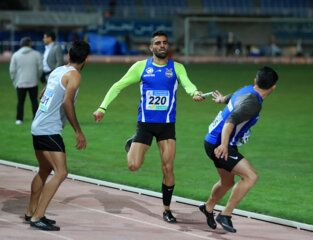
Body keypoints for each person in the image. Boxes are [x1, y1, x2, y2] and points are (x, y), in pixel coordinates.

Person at [93, 30, 204, 223]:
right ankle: (131, 144)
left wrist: (194, 92)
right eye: (158, 43)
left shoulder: (177, 67)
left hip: (167, 126)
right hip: (145, 124)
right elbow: (118, 86)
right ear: (151, 47)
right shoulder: (140, 67)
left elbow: (188, 85)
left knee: (168, 168)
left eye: (164, 43)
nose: (162, 45)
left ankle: (167, 209)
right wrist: (102, 108)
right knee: (133, 166)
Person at [199, 66, 278, 233]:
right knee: (251, 176)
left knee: (227, 182)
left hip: (213, 140)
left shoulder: (247, 89)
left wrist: (222, 99)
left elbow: (234, 97)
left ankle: (207, 208)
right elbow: (230, 121)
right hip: (219, 144)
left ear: (255, 81)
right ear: (273, 87)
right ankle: (225, 215)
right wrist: (224, 145)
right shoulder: (254, 104)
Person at [25, 40, 90, 231]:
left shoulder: (57, 71)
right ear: (86, 59)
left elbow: (42, 95)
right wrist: (78, 131)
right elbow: (67, 103)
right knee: (61, 172)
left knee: (44, 170)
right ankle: (38, 217)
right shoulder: (74, 76)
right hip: (49, 129)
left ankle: (31, 212)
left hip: (37, 125)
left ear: (69, 56)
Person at [9, 37, 43, 125]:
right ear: (30, 44)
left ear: (21, 45)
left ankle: (19, 119)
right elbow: (40, 68)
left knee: (20, 101)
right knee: (34, 101)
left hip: (20, 82)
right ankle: (36, 118)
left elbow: (12, 70)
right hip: (33, 82)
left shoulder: (15, 55)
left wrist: (15, 81)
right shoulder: (37, 54)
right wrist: (37, 77)